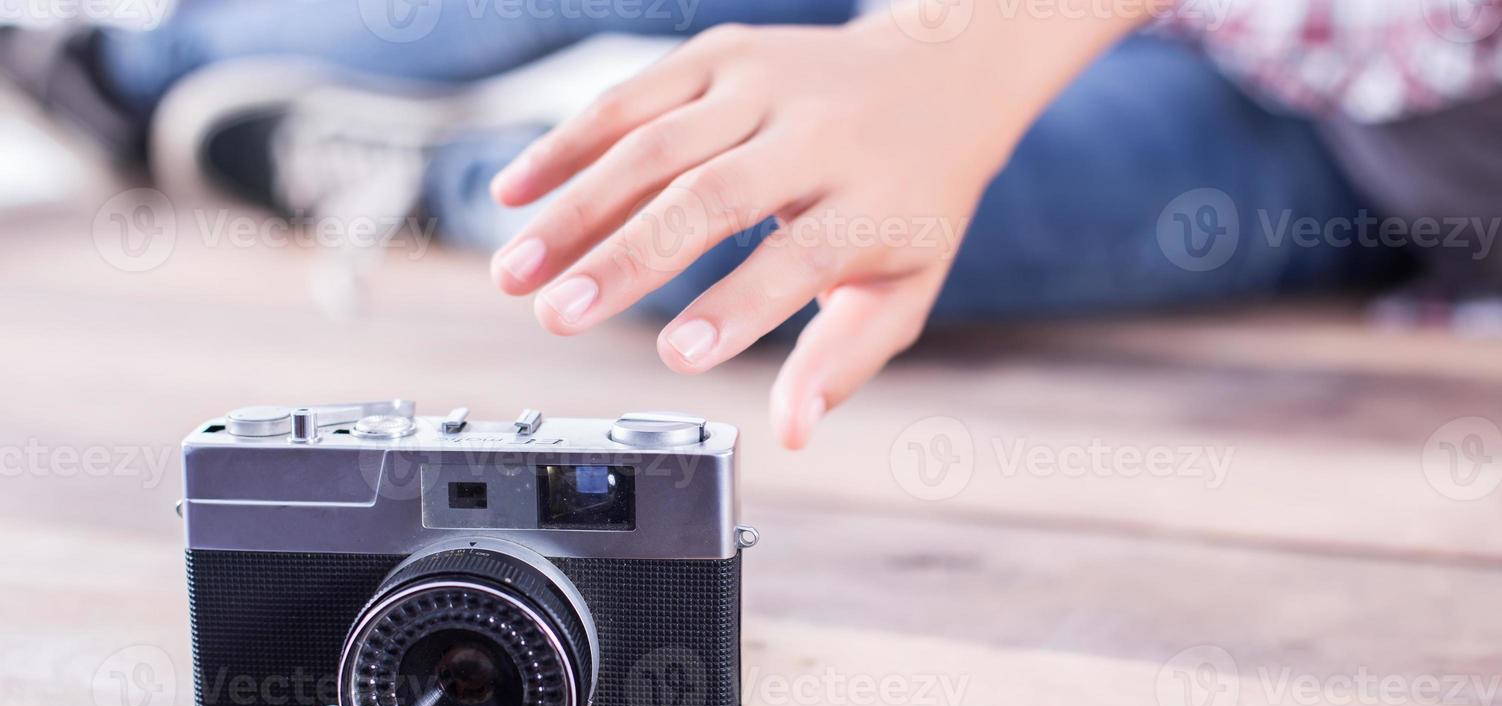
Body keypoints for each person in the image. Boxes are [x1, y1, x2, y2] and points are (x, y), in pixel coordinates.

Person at [4, 0, 1497, 448]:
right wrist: (947, 59)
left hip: (1364, 161)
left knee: (726, 251)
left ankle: (402, 175)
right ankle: (115, 75)